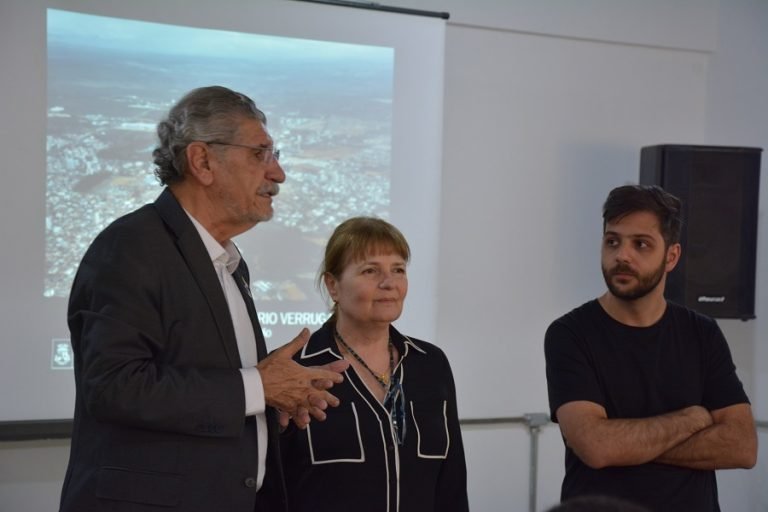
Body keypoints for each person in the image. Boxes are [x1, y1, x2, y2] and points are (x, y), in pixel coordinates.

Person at [59, 85, 349, 512]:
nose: (278, 174)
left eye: (275, 155)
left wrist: (278, 397)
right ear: (202, 161)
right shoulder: (131, 247)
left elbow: (215, 390)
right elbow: (115, 386)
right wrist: (259, 386)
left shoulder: (228, 262)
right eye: (260, 154)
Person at [544, 184, 757, 512]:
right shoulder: (570, 334)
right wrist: (691, 419)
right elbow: (596, 447)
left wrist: (628, 445)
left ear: (671, 256)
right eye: (612, 241)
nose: (622, 255)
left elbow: (742, 447)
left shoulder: (702, 333)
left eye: (640, 244)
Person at [279, 216, 469, 512]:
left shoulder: (431, 364)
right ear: (333, 285)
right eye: (370, 271)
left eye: (398, 270)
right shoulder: (295, 369)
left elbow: (451, 484)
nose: (389, 283)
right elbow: (270, 488)